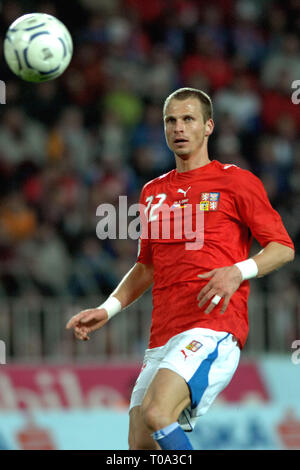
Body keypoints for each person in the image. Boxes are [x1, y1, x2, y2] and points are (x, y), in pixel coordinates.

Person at [66, 88, 295, 450]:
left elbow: (283, 248)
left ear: (208, 127)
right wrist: (107, 309)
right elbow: (146, 267)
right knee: (140, 445)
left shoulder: (236, 181)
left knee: (159, 413)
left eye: (188, 119)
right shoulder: (152, 192)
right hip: (163, 335)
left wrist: (238, 270)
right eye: (170, 120)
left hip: (214, 326)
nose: (179, 127)